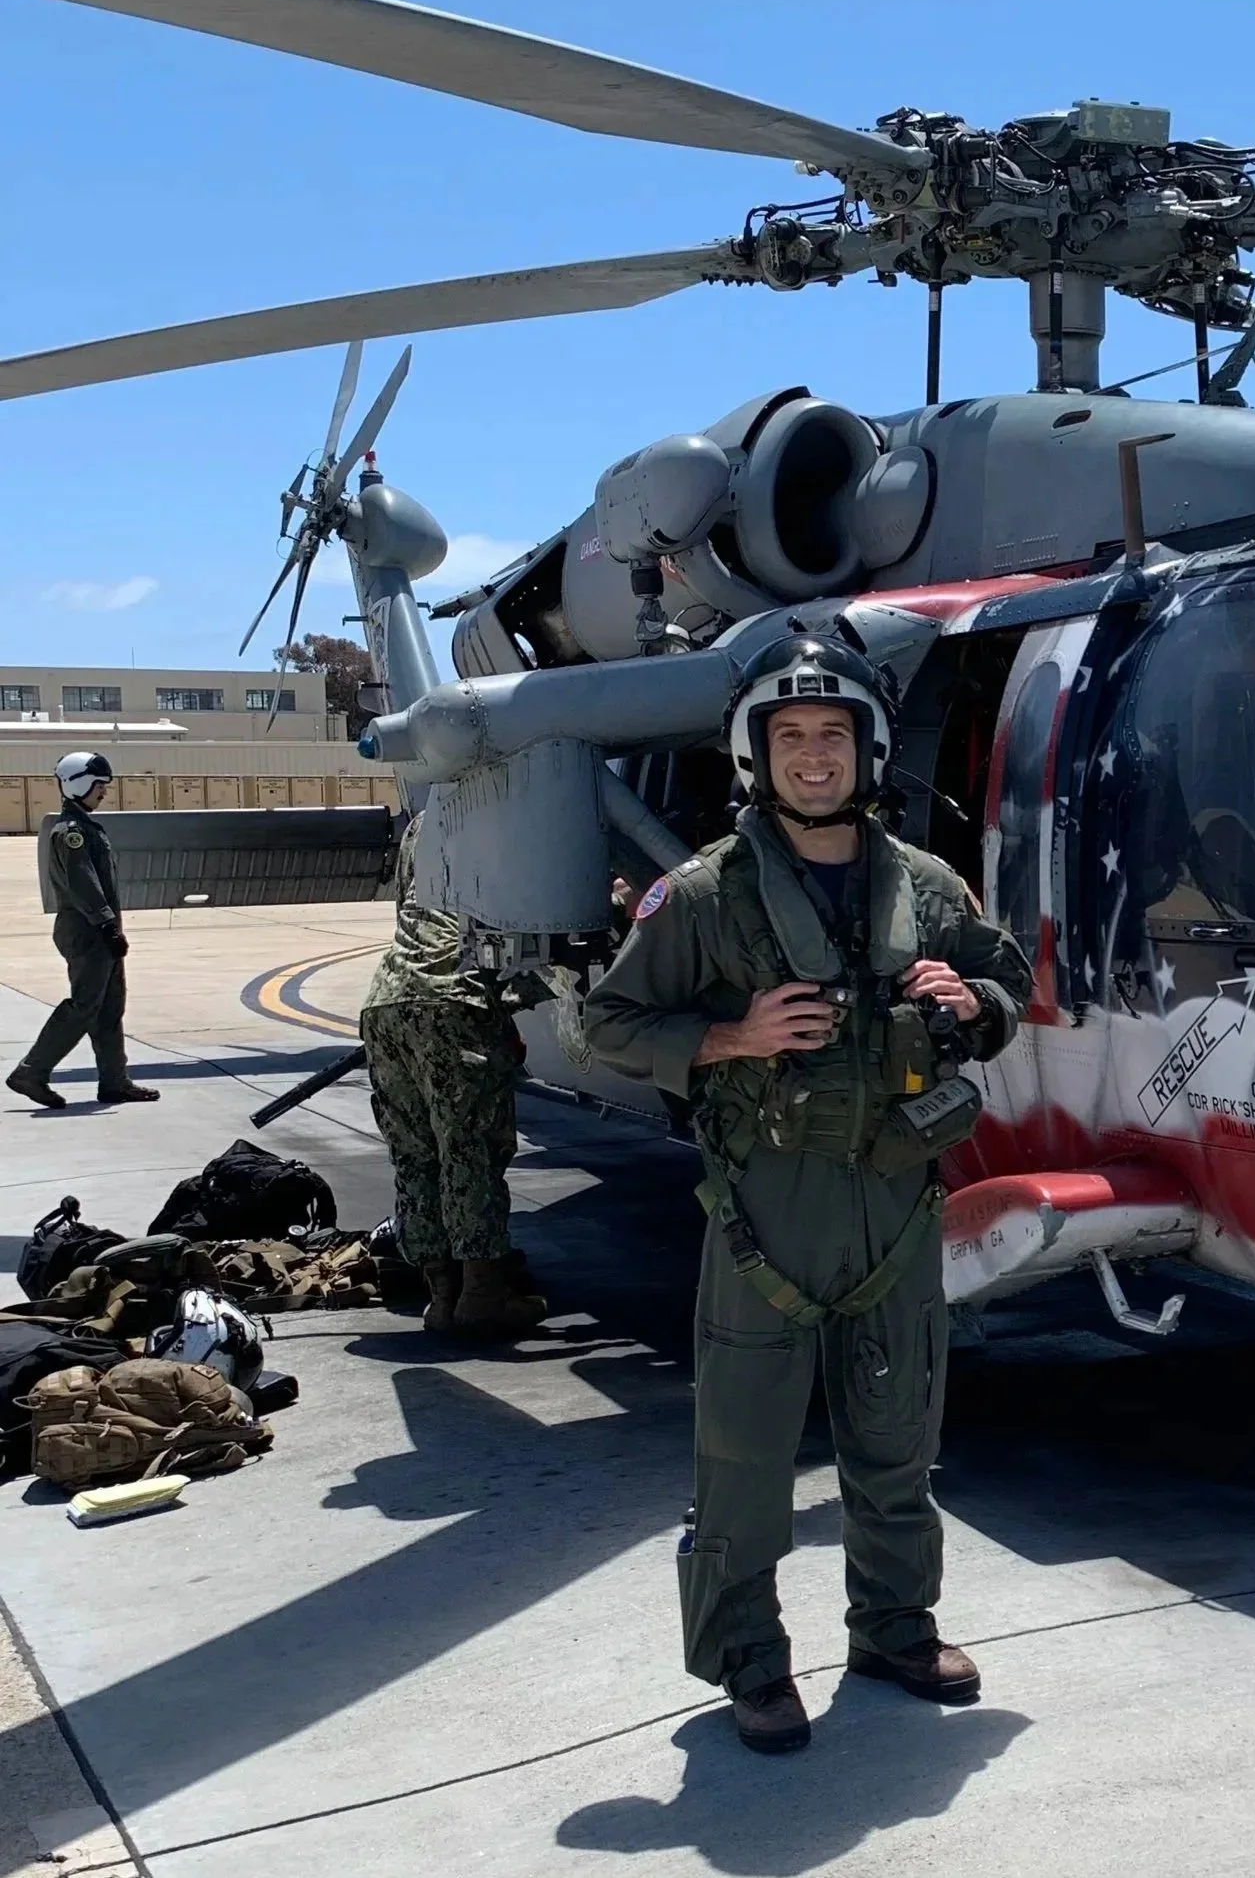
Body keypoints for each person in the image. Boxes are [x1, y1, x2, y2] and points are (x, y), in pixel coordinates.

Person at [580, 633, 1032, 1756]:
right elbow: (608, 1022)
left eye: (833, 734)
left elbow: (1011, 984)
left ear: (866, 747)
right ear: (758, 753)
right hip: (764, 1217)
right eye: (791, 737)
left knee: (896, 1441)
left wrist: (964, 995)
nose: (815, 757)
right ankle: (750, 1658)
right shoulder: (701, 896)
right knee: (743, 1455)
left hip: (895, 1205)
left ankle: (894, 1627)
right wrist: (734, 1033)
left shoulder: (924, 887)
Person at [359, 806, 548, 1338]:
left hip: (387, 997)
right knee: (470, 1149)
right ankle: (483, 1290)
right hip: (453, 997)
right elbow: (535, 916)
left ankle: (441, 1293)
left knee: (416, 1152)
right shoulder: (504, 813)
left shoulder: (426, 820)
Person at [8, 753, 157, 1109]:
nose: (103, 793)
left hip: (98, 929)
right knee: (85, 1005)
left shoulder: (86, 828)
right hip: (87, 930)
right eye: (99, 786)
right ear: (79, 783)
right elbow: (83, 883)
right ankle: (31, 1071)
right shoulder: (71, 833)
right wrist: (106, 924)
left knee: (109, 1007)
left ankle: (114, 1082)